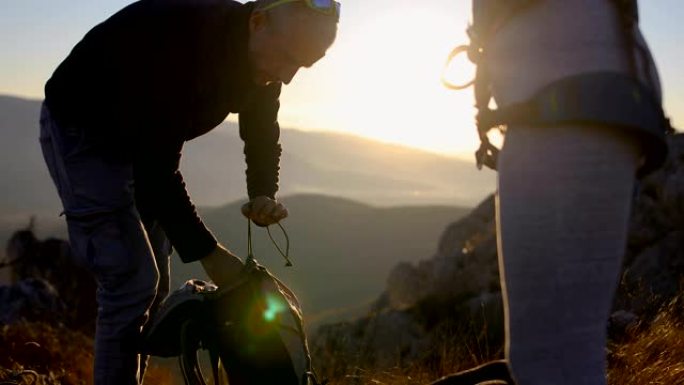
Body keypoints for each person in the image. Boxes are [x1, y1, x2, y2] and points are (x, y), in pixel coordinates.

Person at [38, 0, 339, 383]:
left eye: (303, 65)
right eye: (286, 58)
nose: (288, 74)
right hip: (83, 129)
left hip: (137, 142)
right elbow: (157, 170)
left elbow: (262, 129)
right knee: (131, 281)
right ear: (258, 22)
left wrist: (263, 190)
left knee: (155, 286)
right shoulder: (188, 42)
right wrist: (212, 257)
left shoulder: (262, 59)